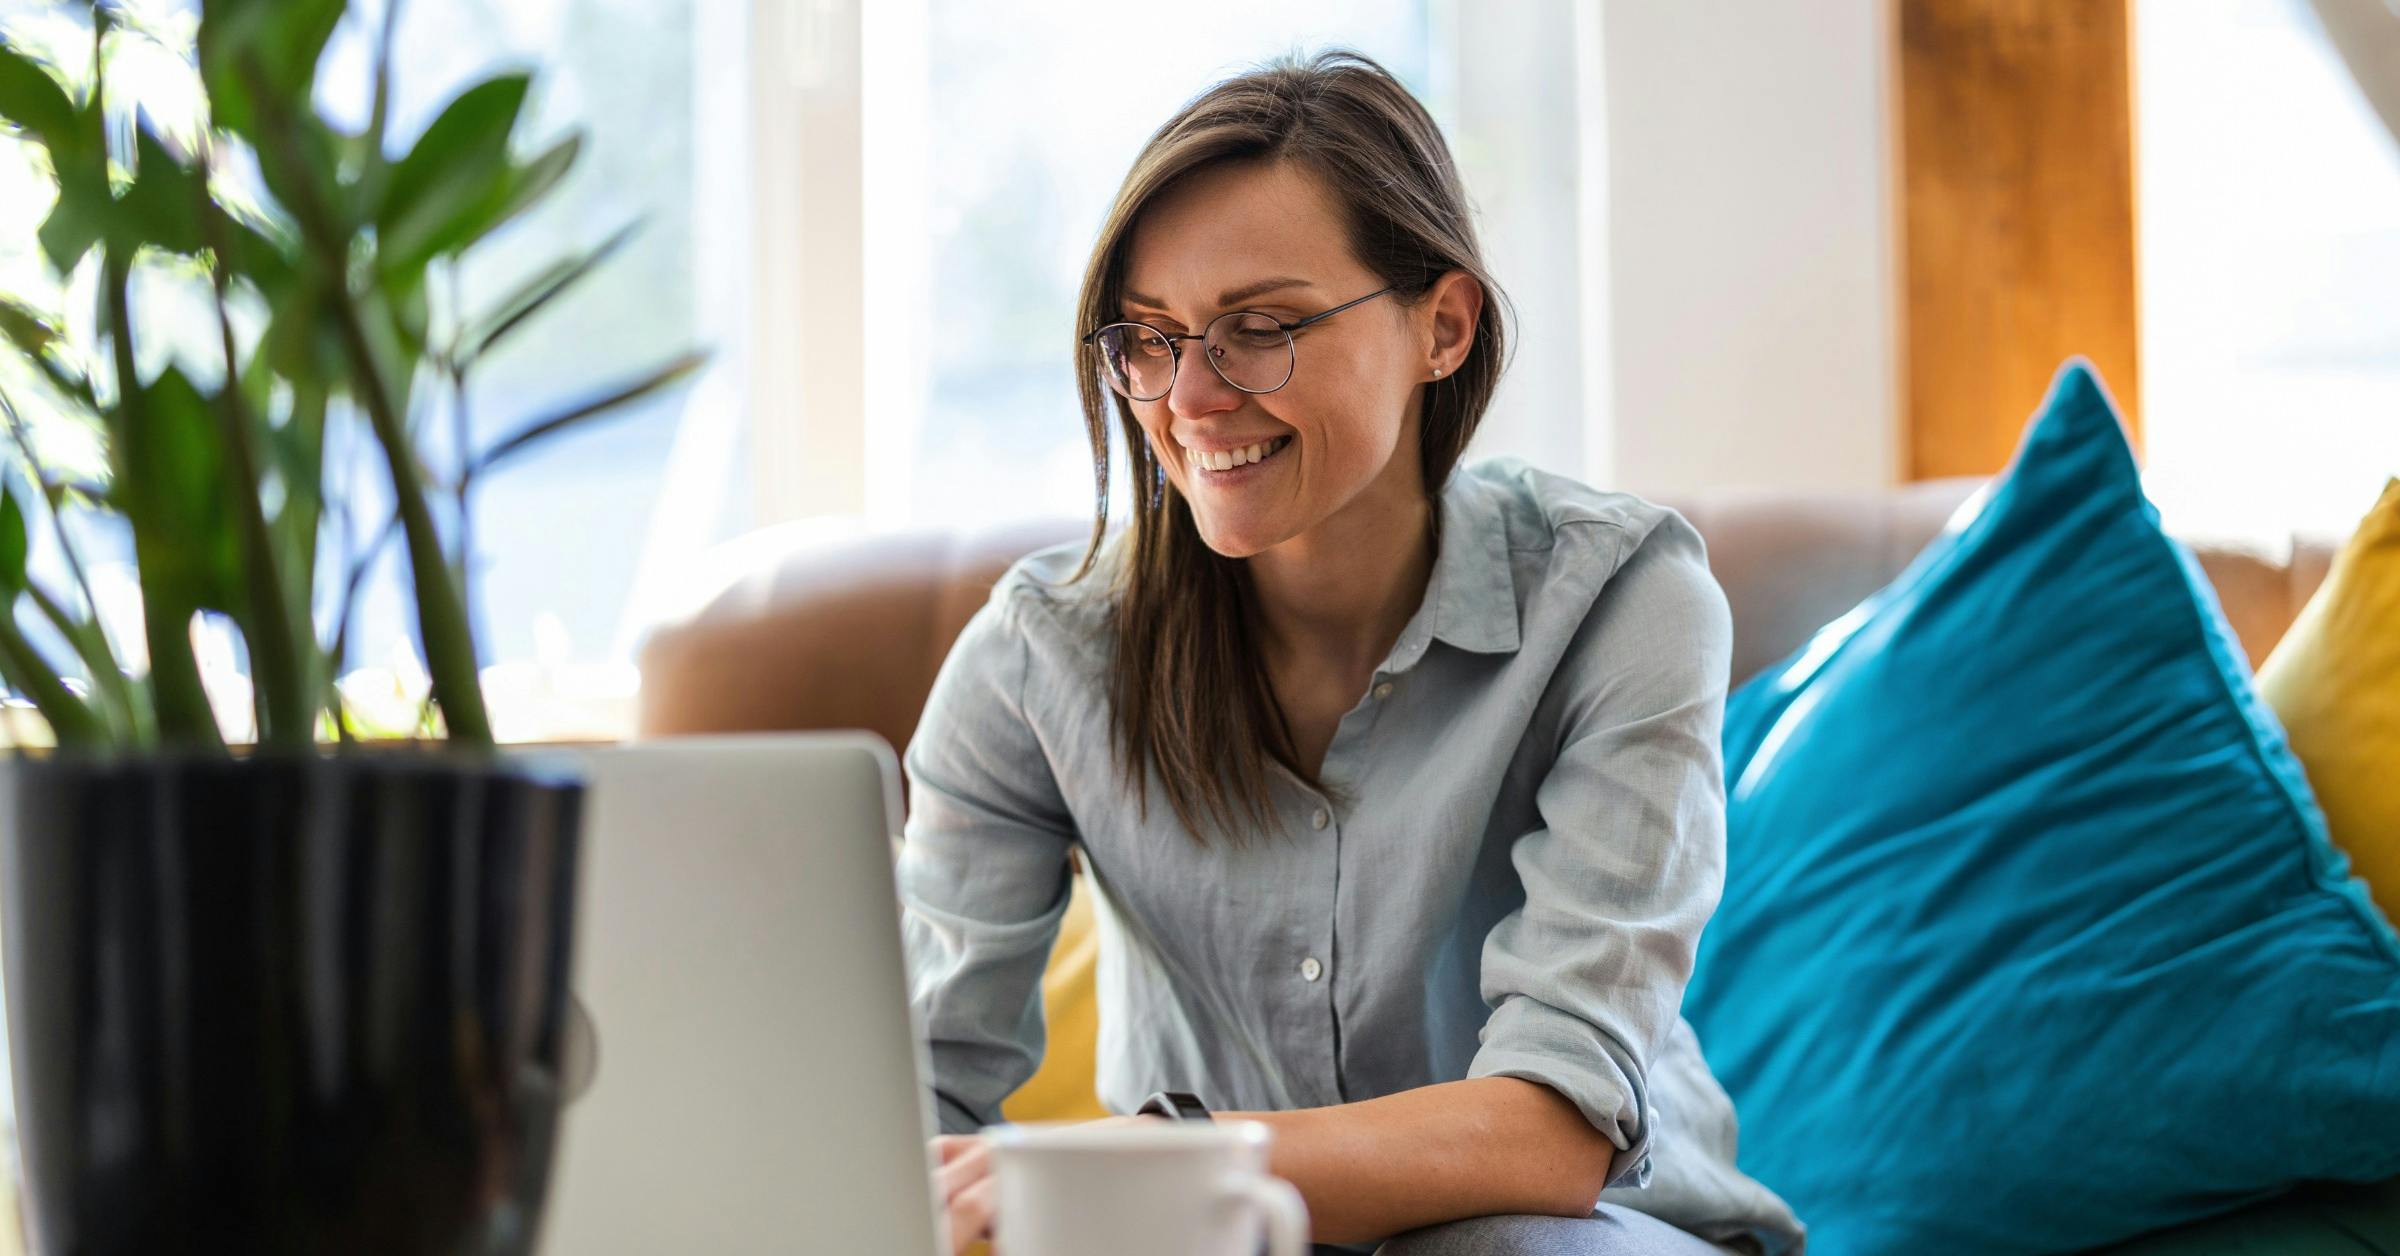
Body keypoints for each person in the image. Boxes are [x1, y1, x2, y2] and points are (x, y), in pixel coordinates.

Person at [899, 49, 1806, 1256]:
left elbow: (1551, 1133)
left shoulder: (1624, 598)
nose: (1190, 399)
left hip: (1587, 1232)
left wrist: (1151, 1166)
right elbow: (912, 1090)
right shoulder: (1038, 657)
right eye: (1153, 339)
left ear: (1442, 324)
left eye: (1259, 328)